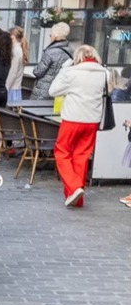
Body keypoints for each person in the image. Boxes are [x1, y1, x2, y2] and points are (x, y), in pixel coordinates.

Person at [48, 44, 111, 208]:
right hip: (92, 120)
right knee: (81, 156)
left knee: (61, 152)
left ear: (77, 57)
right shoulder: (104, 73)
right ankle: (76, 198)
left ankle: (74, 187)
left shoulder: (71, 72)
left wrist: (64, 68)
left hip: (72, 118)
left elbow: (53, 91)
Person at [27, 21, 75, 97]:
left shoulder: (50, 52)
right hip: (59, 90)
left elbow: (38, 72)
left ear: (55, 36)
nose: (50, 36)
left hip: (43, 92)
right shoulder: (70, 51)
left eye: (51, 34)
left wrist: (35, 67)